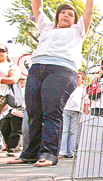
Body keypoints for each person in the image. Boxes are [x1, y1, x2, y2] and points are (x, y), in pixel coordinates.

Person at [8, 0, 94, 167]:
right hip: (37, 67)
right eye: (63, 12)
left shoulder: (77, 30)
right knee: (33, 111)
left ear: (75, 20)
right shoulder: (46, 27)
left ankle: (49, 153)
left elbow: (89, 11)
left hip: (62, 69)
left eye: (71, 14)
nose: (66, 15)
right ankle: (30, 153)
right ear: (57, 16)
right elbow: (37, 7)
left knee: (52, 111)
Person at [59, 72, 89, 158]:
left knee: (73, 132)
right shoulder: (70, 86)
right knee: (65, 130)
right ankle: (62, 151)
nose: (78, 78)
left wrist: (86, 112)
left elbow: (86, 102)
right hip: (66, 109)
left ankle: (71, 152)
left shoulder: (84, 89)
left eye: (79, 77)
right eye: (77, 77)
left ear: (83, 80)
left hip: (77, 111)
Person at [1, 77, 26, 157]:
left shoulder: (27, 89)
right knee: (4, 126)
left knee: (15, 129)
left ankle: (14, 147)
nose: (21, 81)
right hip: (10, 111)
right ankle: (9, 146)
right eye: (20, 80)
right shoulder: (15, 88)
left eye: (23, 79)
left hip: (20, 112)